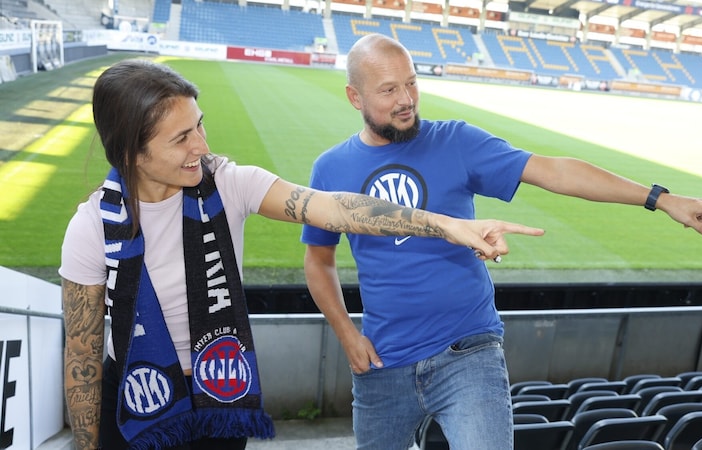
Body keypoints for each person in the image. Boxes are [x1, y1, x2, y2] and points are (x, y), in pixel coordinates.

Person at [58, 58, 542, 450]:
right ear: (130, 150)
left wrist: (445, 225)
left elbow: (335, 208)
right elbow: (81, 352)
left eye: (199, 127)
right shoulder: (91, 228)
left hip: (219, 393)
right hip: (134, 401)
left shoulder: (229, 182)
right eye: (182, 138)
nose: (202, 147)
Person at [300, 33, 702, 450]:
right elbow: (319, 260)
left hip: (467, 352)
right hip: (382, 362)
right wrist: (345, 332)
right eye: (389, 90)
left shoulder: (456, 141)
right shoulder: (330, 169)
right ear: (355, 97)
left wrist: (659, 198)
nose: (407, 101)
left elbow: (555, 171)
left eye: (412, 84)